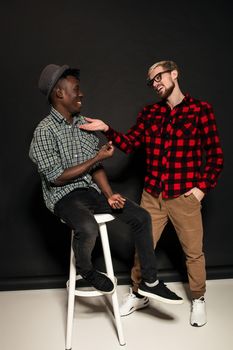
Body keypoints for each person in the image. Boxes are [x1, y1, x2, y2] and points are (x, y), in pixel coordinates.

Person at [79, 60, 224, 326]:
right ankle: (139, 293)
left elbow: (216, 156)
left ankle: (199, 299)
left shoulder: (201, 110)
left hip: (184, 196)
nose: (155, 84)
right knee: (143, 247)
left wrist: (201, 190)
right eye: (152, 81)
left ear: (174, 74)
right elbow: (130, 142)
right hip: (153, 195)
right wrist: (106, 129)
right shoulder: (150, 113)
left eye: (159, 77)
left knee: (193, 252)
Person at [29, 63, 183, 304]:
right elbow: (56, 177)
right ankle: (85, 270)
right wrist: (97, 157)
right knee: (88, 227)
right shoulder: (44, 131)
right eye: (76, 89)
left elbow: (96, 168)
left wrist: (109, 194)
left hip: (90, 192)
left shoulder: (84, 125)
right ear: (59, 94)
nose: (82, 94)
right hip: (63, 197)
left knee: (142, 217)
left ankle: (150, 281)